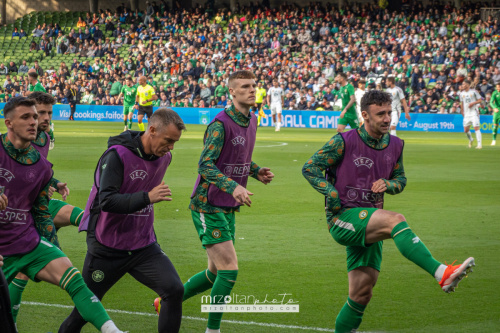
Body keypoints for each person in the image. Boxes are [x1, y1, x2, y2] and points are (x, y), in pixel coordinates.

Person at [302, 90, 474, 333]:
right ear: (364, 115)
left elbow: (400, 178)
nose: (386, 118)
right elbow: (310, 167)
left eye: (389, 113)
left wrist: (390, 184)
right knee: (396, 220)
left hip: (371, 220)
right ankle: (441, 273)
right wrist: (331, 194)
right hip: (343, 218)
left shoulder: (395, 144)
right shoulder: (343, 140)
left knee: (361, 294)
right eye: (380, 114)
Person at [0, 97, 124, 333]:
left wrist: (52, 245)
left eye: (35, 116)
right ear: (8, 123)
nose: (35, 121)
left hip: (25, 241)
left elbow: (40, 211)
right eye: (26, 117)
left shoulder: (42, 167)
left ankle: (113, 331)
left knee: (73, 277)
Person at [59, 108, 186, 333]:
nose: (171, 147)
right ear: (152, 130)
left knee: (174, 290)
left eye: (175, 142)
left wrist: (145, 199)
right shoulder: (117, 155)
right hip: (107, 247)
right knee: (82, 314)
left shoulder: (165, 157)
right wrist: (147, 197)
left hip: (143, 245)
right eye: (168, 140)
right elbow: (106, 201)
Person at [166, 70, 274, 333]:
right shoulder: (220, 124)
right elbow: (205, 165)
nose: (252, 90)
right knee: (229, 271)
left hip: (227, 204)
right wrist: (233, 186)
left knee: (214, 273)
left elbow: (237, 157)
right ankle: (212, 330)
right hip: (207, 203)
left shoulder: (252, 120)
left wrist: (254, 171)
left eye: (254, 85)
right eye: (245, 86)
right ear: (232, 92)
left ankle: (166, 302)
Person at [7, 92, 84, 325]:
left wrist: (53, 182)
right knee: (21, 269)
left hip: (37, 203)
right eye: (40, 113)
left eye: (49, 113)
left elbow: (36, 170)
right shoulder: (19, 138)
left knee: (81, 216)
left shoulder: (45, 137)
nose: (45, 117)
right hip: (17, 211)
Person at [460, 80, 483, 149]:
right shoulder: (461, 94)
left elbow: (480, 100)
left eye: (463, 84)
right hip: (466, 114)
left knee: (476, 127)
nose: (462, 85)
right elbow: (462, 103)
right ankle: (471, 140)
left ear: (467, 85)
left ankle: (479, 145)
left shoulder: (473, 92)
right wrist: (462, 111)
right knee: (466, 130)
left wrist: (473, 103)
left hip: (474, 112)